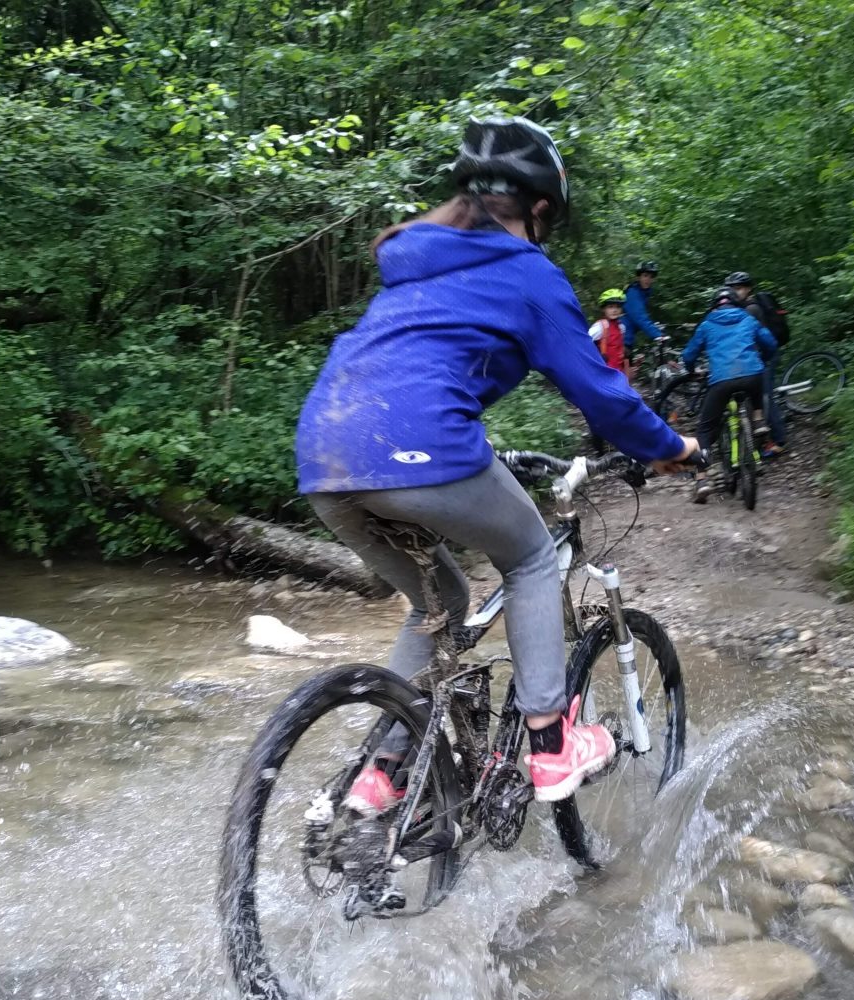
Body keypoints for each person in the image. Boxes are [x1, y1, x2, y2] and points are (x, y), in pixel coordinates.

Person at [295, 116, 701, 816]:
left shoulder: (415, 262)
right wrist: (672, 448)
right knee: (533, 556)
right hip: (423, 449)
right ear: (541, 206)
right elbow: (605, 398)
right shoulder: (528, 273)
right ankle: (551, 744)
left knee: (440, 605)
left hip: (324, 457)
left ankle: (382, 772)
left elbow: (410, 368)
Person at [678, 288, 778, 503]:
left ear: (714, 306)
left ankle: (702, 480)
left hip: (721, 381)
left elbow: (689, 354)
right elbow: (770, 343)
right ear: (736, 303)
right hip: (752, 375)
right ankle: (758, 420)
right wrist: (764, 359)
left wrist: (691, 369)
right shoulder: (748, 318)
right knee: (757, 381)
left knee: (704, 430)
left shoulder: (707, 324)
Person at [722, 271, 789, 457]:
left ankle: (779, 440)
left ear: (748, 289)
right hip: (754, 357)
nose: (735, 292)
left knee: (765, 396)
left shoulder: (751, 309)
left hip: (765, 355)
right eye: (731, 289)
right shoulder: (741, 307)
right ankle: (756, 438)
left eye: (739, 288)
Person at [589, 288, 631, 378]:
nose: (614, 310)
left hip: (618, 373)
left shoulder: (621, 327)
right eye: (610, 307)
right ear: (604, 309)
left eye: (618, 307)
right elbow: (584, 343)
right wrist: (597, 356)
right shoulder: (600, 327)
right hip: (604, 374)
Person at [623, 260, 665, 346]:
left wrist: (654, 327)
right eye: (645, 275)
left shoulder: (644, 293)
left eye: (651, 277)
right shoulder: (633, 293)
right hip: (620, 338)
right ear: (638, 277)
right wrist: (658, 335)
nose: (648, 279)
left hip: (627, 336)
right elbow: (639, 317)